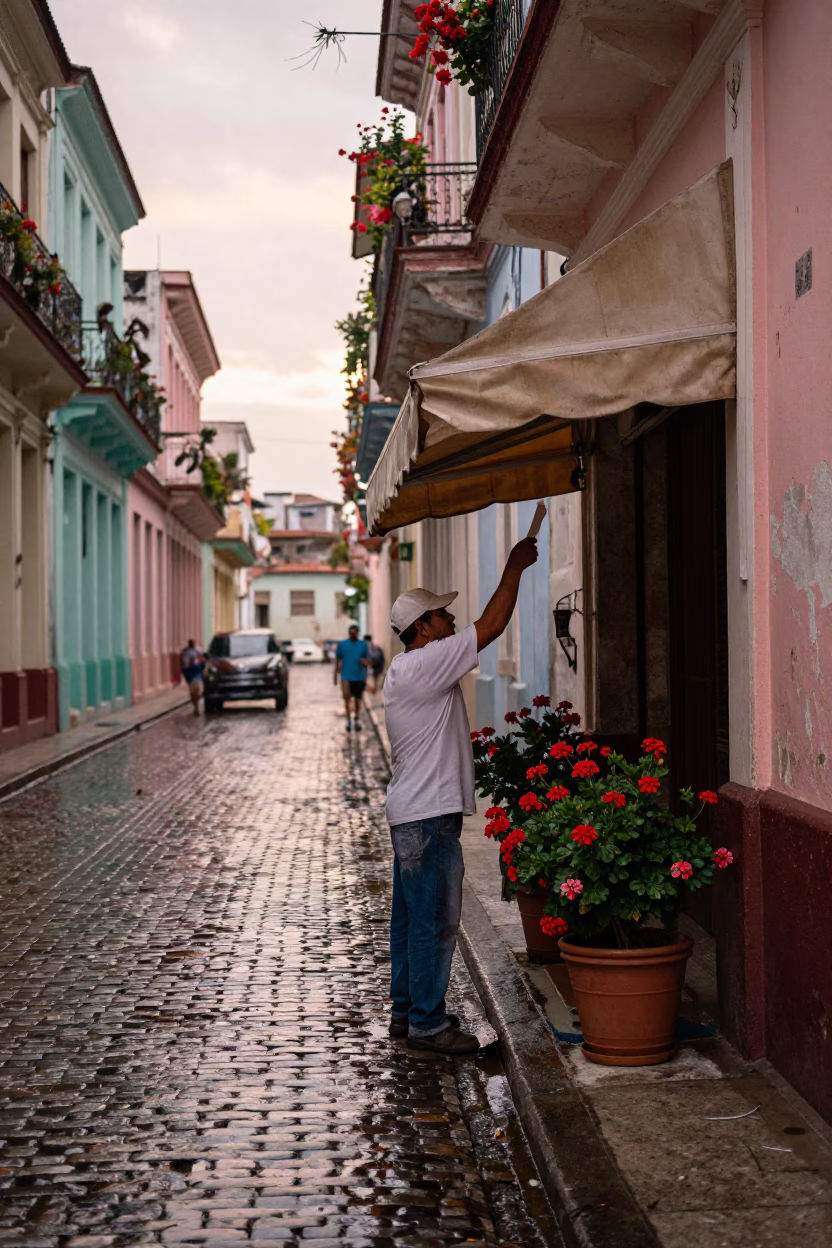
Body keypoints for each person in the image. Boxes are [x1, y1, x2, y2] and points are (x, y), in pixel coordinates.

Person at [384, 537, 538, 1054]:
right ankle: (428, 1022)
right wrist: (514, 567)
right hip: (427, 818)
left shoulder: (411, 669)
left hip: (413, 814)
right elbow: (491, 626)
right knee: (434, 922)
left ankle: (407, 1011)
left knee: (410, 922)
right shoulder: (424, 664)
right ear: (422, 629)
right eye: (443, 615)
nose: (452, 620)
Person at [334, 623, 370, 731]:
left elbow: (366, 661)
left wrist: (365, 674)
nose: (353, 635)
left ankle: (357, 718)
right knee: (347, 699)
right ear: (349, 633)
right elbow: (338, 660)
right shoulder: (342, 644)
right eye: (351, 634)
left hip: (359, 677)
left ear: (357, 633)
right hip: (346, 677)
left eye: (354, 633)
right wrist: (335, 675)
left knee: (358, 700)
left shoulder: (363, 645)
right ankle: (349, 720)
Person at [180, 638, 207, 715]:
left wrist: (202, 668)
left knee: (197, 690)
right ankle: (195, 706)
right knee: (192, 692)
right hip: (189, 673)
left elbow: (205, 659)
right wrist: (184, 672)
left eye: (193, 643)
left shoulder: (199, 650)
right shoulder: (185, 652)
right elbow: (182, 662)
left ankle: (197, 706)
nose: (192, 644)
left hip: (197, 672)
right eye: (190, 643)